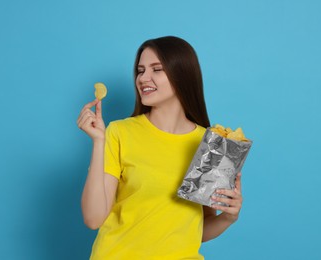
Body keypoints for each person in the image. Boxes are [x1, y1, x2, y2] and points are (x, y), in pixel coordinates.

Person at [77, 36, 243, 260]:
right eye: (140, 70)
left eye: (157, 69)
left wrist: (228, 217)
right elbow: (93, 218)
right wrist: (99, 142)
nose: (143, 78)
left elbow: (197, 231)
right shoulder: (119, 132)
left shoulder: (211, 144)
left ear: (182, 75)